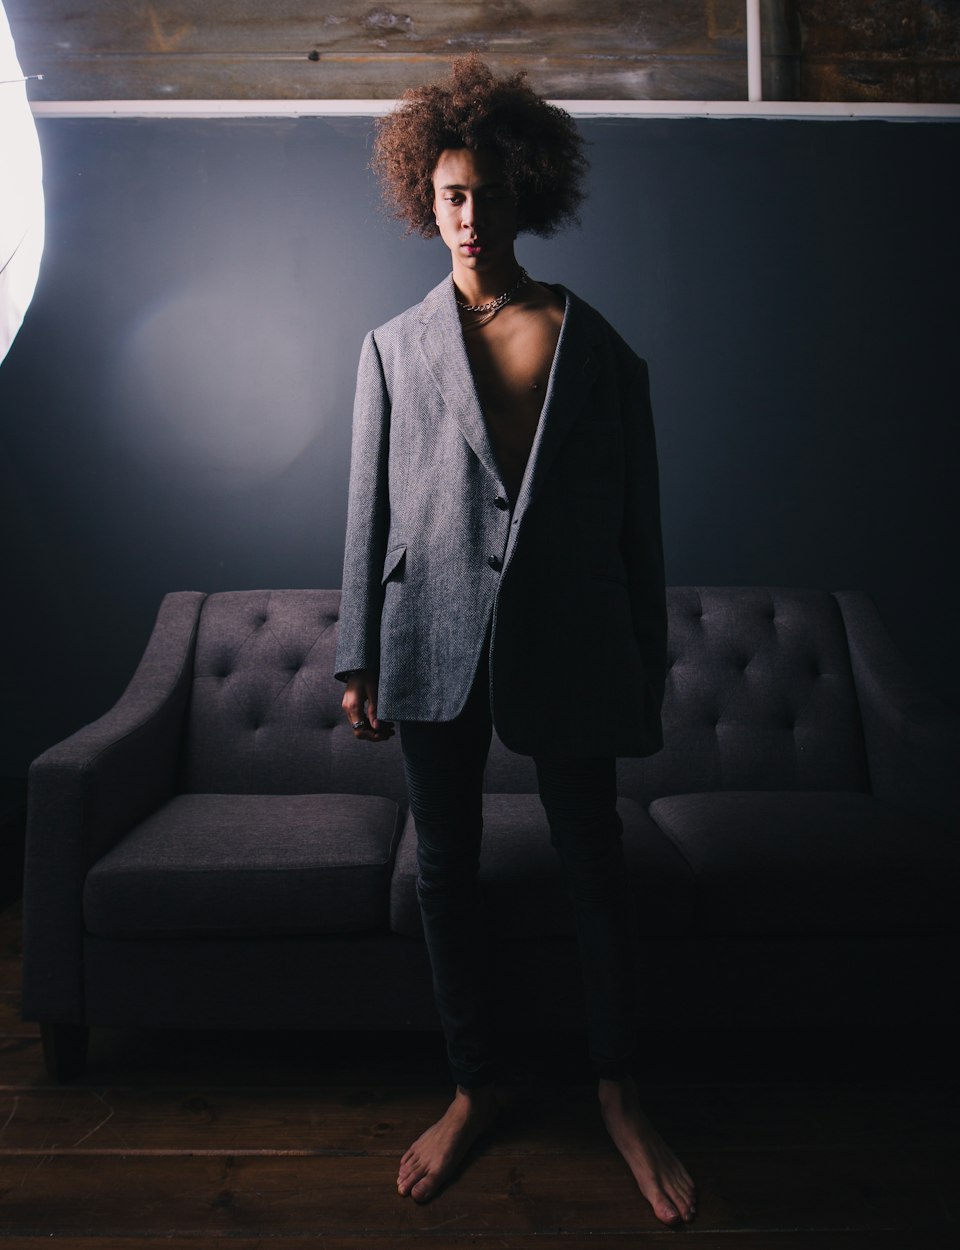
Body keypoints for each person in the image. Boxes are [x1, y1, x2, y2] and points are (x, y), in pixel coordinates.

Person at [335, 55, 695, 1227]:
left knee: (593, 864)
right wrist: (355, 650)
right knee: (445, 871)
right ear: (422, 200)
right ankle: (473, 1085)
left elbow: (640, 518)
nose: (470, 216)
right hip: (426, 629)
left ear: (521, 189)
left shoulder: (598, 346)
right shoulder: (390, 348)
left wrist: (645, 650)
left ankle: (620, 1092)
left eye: (487, 191)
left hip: (574, 637)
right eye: (449, 195)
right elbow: (366, 508)